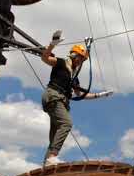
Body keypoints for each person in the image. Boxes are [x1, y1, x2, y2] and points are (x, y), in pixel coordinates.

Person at [41, 30, 113, 166]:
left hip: (60, 101)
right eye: (79, 58)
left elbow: (81, 95)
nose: (81, 61)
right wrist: (52, 45)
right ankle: (51, 158)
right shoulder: (61, 63)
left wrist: (100, 95)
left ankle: (46, 165)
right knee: (66, 124)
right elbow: (45, 58)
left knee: (55, 135)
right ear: (73, 56)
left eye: (82, 59)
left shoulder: (74, 76)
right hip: (54, 96)